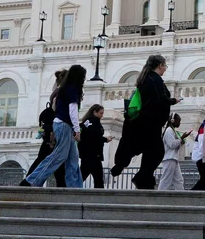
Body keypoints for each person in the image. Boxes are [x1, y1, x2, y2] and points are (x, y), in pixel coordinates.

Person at [110, 55, 181, 189]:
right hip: (150, 123)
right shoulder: (155, 79)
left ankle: (142, 178)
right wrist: (173, 100)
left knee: (148, 150)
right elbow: (159, 98)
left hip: (143, 122)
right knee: (157, 152)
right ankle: (142, 177)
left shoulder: (145, 78)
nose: (165, 69)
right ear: (160, 65)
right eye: (165, 66)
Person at [22, 64, 86, 188]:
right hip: (65, 125)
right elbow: (73, 111)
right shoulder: (73, 89)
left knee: (73, 158)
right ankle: (32, 180)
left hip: (62, 124)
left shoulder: (64, 88)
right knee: (58, 156)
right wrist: (77, 129)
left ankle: (75, 186)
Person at [25, 69, 68, 188]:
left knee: (46, 158)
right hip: (55, 129)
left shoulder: (56, 90)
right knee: (51, 158)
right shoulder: (61, 92)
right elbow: (56, 109)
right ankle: (29, 182)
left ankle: (28, 181)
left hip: (50, 129)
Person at [79, 104, 113, 188]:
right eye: (101, 113)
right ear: (95, 112)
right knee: (98, 180)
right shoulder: (93, 123)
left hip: (87, 154)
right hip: (94, 154)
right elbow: (94, 136)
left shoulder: (86, 122)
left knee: (82, 177)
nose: (102, 115)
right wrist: (105, 139)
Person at [158, 113, 191, 191]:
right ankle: (159, 196)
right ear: (173, 120)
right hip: (169, 158)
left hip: (173, 158)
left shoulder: (172, 130)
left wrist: (181, 140)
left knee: (179, 180)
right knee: (166, 180)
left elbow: (175, 144)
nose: (179, 123)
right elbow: (172, 145)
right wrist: (181, 138)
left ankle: (181, 196)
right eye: (178, 121)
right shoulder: (169, 130)